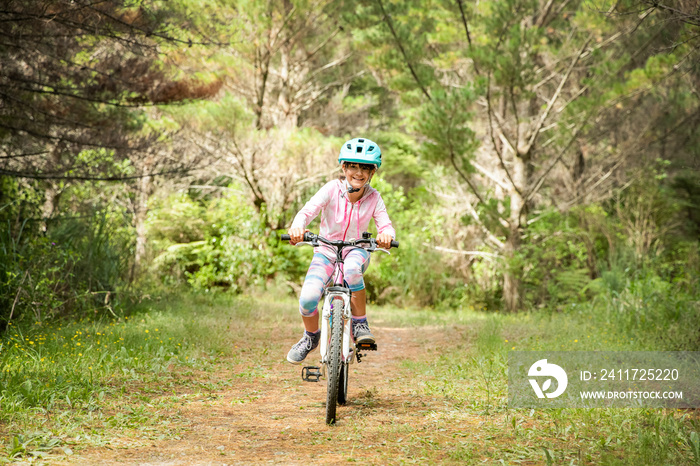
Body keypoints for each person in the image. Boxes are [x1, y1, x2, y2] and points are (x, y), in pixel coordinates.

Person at [286, 137, 396, 364]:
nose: (359, 172)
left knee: (353, 269)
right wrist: (298, 227)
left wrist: (386, 236)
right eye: (353, 166)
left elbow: (385, 225)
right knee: (307, 299)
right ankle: (310, 337)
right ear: (343, 167)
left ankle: (360, 323)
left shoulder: (374, 198)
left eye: (365, 168)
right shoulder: (331, 190)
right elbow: (307, 212)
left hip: (357, 250)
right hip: (325, 251)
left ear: (372, 173)